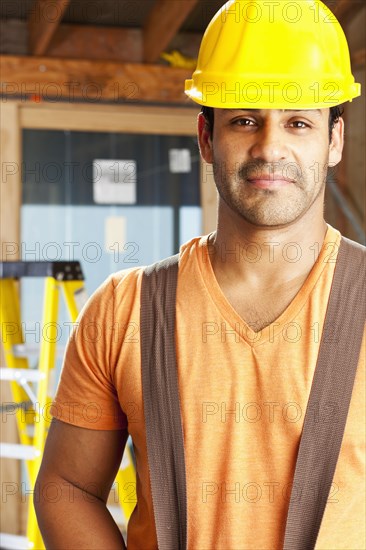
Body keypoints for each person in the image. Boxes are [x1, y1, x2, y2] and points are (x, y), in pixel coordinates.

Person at [34, 0, 365, 548]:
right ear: (207, 137)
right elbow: (67, 485)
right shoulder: (124, 310)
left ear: (334, 140)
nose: (270, 147)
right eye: (243, 120)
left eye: (299, 122)